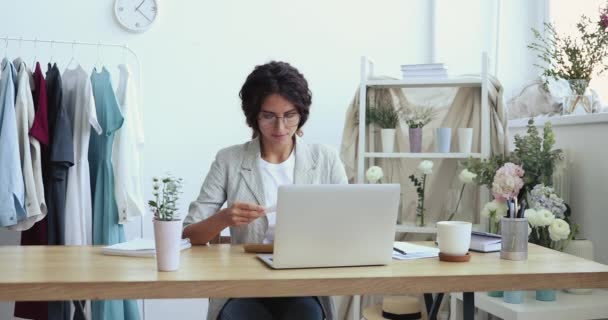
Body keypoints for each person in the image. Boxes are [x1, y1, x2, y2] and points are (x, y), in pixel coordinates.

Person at [183, 61, 347, 320]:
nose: (280, 127)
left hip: (303, 283)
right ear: (254, 116)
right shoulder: (229, 160)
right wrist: (225, 217)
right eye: (269, 116)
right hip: (244, 285)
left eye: (289, 115)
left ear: (301, 114)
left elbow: (346, 226)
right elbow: (190, 234)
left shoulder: (325, 159)